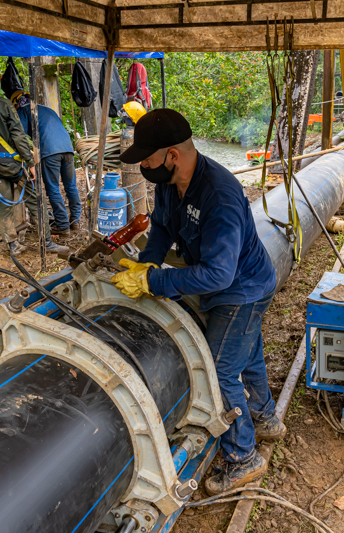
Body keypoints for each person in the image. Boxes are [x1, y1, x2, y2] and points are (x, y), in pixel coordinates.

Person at [110, 108, 284, 495]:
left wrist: (155, 281)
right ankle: (266, 418)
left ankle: (243, 457)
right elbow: (162, 228)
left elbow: (218, 274)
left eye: (149, 160)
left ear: (172, 155)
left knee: (219, 372)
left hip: (243, 289)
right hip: (227, 285)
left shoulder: (218, 194)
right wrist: (147, 264)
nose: (145, 168)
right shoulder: (170, 185)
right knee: (248, 353)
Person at [0, 62, 67, 257]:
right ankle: (46, 242)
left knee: (4, 204)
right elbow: (19, 136)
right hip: (14, 164)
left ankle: (13, 246)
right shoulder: (3, 105)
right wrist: (30, 162)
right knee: (36, 201)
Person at [10, 90, 81, 234]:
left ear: (16, 104)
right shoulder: (46, 110)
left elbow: (20, 135)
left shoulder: (23, 110)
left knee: (53, 188)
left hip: (50, 151)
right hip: (67, 148)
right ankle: (76, 221)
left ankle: (62, 225)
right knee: (70, 186)